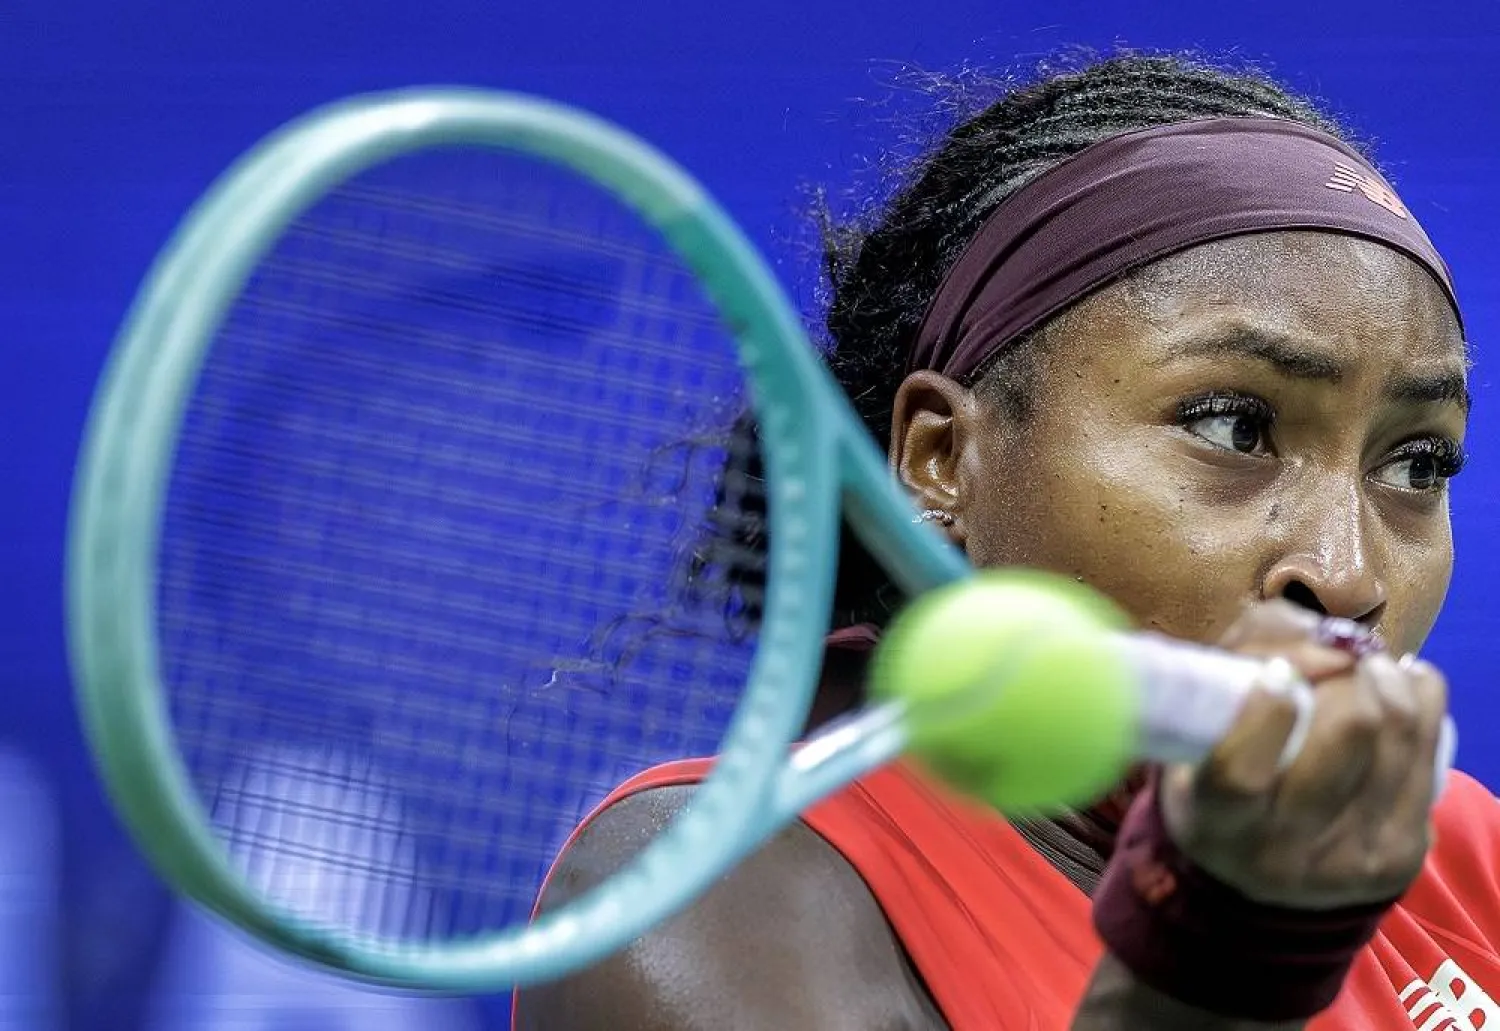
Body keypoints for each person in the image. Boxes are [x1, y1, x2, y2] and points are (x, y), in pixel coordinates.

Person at [514, 53, 1500, 1030]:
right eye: (1233, 426)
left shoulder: (1467, 853)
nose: (1346, 573)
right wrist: (1212, 960)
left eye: (1416, 464)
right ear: (944, 458)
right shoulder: (707, 891)